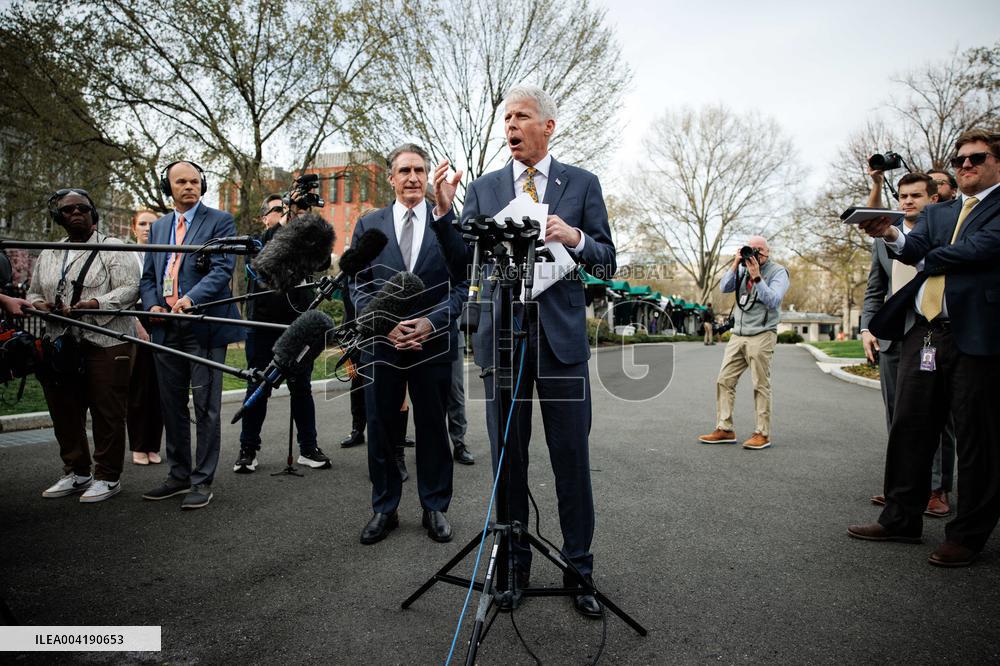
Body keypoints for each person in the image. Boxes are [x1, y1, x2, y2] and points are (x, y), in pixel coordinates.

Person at [464, 84, 616, 617]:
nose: (511, 126)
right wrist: (445, 216)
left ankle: (580, 571)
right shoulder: (482, 190)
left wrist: (574, 237)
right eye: (507, 117)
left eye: (522, 116)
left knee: (570, 459)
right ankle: (514, 570)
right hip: (502, 340)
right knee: (509, 460)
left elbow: (606, 262)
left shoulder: (583, 184)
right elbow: (464, 261)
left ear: (548, 126)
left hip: (561, 345)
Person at [851, 129, 1000, 568]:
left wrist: (926, 255)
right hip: (926, 332)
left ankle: (967, 536)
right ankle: (900, 518)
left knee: (976, 438)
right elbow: (910, 246)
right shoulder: (940, 212)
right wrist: (890, 234)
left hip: (978, 335)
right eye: (959, 160)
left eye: (976, 158)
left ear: (996, 162)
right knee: (910, 426)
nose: (965, 166)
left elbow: (980, 249)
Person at [348, 143, 467, 545]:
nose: (413, 178)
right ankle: (385, 508)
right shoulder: (370, 225)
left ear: (427, 174)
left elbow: (463, 284)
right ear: (390, 177)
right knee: (381, 428)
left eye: (419, 170)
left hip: (433, 346)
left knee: (433, 429)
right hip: (382, 346)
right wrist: (384, 324)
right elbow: (357, 284)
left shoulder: (446, 221)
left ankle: (434, 507)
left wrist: (431, 323)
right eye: (404, 171)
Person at [139, 161, 244, 510]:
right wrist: (153, 306)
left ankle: (202, 480)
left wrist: (190, 298)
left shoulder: (220, 221)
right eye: (181, 181)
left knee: (206, 407)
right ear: (167, 187)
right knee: (171, 404)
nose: (189, 187)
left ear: (203, 185)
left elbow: (221, 271)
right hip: (165, 327)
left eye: (195, 181)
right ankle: (178, 475)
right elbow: (149, 277)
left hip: (204, 325)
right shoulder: (160, 227)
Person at [29, 188, 139, 503]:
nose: (76, 213)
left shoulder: (112, 247)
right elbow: (34, 291)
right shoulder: (49, 252)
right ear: (58, 217)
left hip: (105, 340)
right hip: (61, 342)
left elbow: (131, 289)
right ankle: (77, 472)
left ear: (93, 213)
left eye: (82, 208)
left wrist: (93, 303)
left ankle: (107, 476)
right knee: (64, 408)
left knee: (107, 410)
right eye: (67, 210)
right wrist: (40, 304)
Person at [861, 171, 955, 517]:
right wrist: (866, 329)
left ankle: (936, 489)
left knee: (937, 419)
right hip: (892, 337)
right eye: (902, 196)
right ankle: (901, 488)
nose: (908, 201)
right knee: (898, 417)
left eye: (916, 195)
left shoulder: (946, 232)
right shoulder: (884, 241)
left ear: (932, 198)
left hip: (932, 334)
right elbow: (875, 289)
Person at [233, 203, 330, 473]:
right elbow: (262, 265)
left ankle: (308, 448)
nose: (284, 212)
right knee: (258, 385)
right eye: (278, 208)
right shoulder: (257, 242)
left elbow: (323, 261)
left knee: (302, 387)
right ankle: (248, 449)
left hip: (298, 324)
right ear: (264, 217)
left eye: (288, 208)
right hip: (263, 326)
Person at [698, 236, 789, 450]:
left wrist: (757, 277)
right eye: (751, 249)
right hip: (738, 334)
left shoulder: (778, 272)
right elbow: (724, 288)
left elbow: (774, 300)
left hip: (762, 333)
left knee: (760, 384)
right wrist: (736, 262)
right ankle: (725, 428)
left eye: (759, 250)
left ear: (768, 251)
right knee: (724, 380)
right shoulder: (741, 269)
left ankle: (762, 433)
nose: (755, 254)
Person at [126, 210, 163, 466]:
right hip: (136, 317)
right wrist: (137, 324)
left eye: (152, 224)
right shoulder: (126, 256)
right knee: (139, 386)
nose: (148, 228)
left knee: (160, 387)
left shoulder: (164, 253)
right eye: (142, 224)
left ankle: (153, 445)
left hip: (161, 317)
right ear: (133, 228)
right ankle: (139, 445)